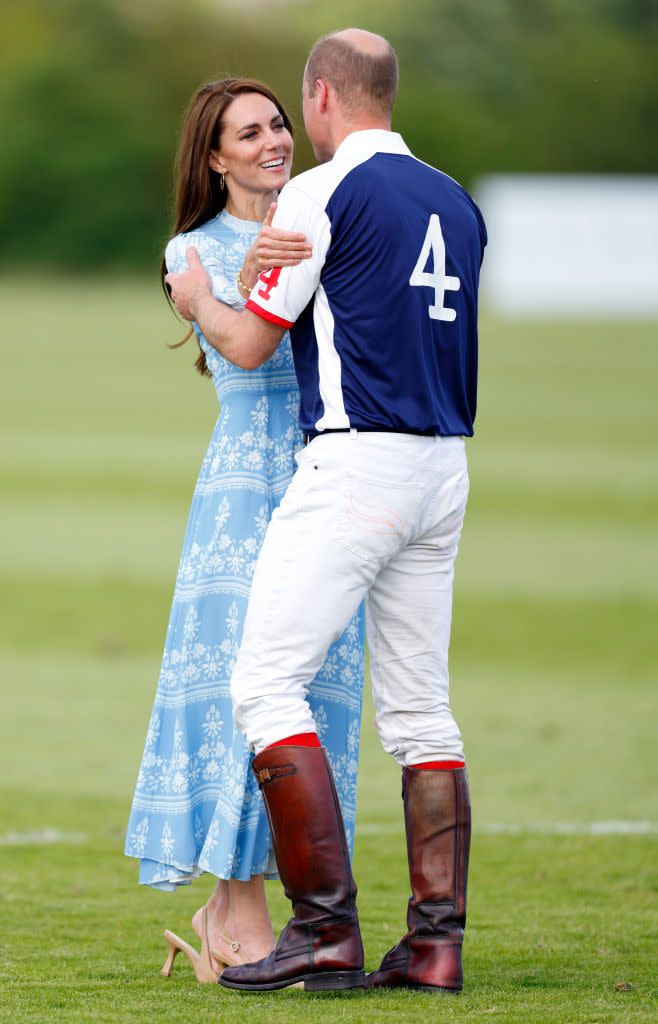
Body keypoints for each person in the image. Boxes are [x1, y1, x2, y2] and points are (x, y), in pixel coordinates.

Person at [166, 28, 487, 994]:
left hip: (357, 466)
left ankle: (324, 933)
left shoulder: (320, 192)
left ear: (320, 98)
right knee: (423, 713)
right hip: (446, 464)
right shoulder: (458, 199)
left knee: (265, 686)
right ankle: (434, 947)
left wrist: (193, 297)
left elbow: (254, 339)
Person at [124, 77, 365, 984]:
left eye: (277, 124)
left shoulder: (322, 218)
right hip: (244, 488)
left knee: (319, 690)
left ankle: (233, 909)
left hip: (329, 472)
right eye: (248, 132)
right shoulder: (191, 250)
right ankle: (242, 905)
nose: (273, 141)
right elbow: (241, 340)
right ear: (214, 157)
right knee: (244, 689)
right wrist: (243, 278)